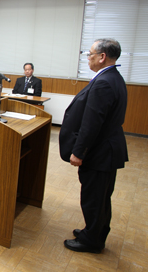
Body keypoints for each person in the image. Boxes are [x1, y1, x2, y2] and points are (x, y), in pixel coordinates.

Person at [59, 38, 128, 254]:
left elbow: (92, 122)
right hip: (106, 149)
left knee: (94, 198)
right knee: (100, 196)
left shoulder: (105, 82)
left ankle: (92, 241)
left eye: (89, 54)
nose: (88, 58)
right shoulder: (112, 77)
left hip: (99, 152)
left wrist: (78, 152)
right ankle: (94, 231)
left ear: (102, 57)